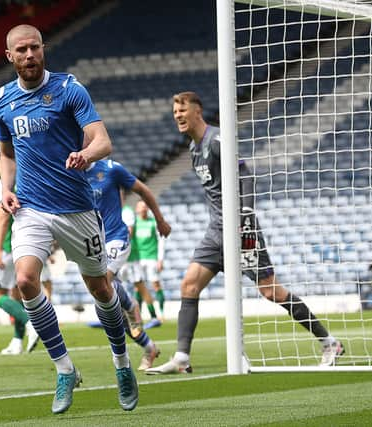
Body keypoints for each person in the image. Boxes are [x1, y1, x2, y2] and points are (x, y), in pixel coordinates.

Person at [0, 24, 138, 414]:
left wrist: (86, 155)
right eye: (20, 50)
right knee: (25, 280)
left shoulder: (70, 89)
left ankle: (122, 364)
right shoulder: (2, 101)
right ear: (9, 57)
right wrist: (8, 187)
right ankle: (64, 368)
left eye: (34, 48)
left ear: (44, 49)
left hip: (77, 209)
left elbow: (103, 140)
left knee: (101, 289)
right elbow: (6, 152)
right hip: (31, 209)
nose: (28, 55)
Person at [146, 91, 344, 374]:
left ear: (197, 111)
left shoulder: (216, 141)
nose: (177, 114)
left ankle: (329, 342)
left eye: (182, 109)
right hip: (217, 231)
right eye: (174, 110)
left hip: (242, 228)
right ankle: (181, 357)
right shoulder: (192, 148)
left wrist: (245, 215)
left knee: (271, 291)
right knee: (189, 285)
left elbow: (246, 174)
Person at [85, 158, 172, 370]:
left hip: (116, 237)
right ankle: (149, 346)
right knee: (106, 300)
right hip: (90, 243)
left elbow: (143, 190)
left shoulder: (110, 169)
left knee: (104, 283)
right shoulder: (69, 172)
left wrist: (159, 220)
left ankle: (131, 306)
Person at [0, 151, 39, 355]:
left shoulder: (1, 187)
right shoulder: (18, 183)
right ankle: (17, 341)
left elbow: (3, 217)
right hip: (21, 244)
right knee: (16, 295)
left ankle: (31, 324)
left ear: (2, 166)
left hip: (7, 245)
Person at [132, 200, 167, 327]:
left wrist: (160, 259)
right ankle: (139, 315)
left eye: (145, 207)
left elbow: (161, 241)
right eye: (141, 207)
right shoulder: (134, 223)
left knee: (156, 285)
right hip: (138, 259)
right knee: (138, 287)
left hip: (151, 258)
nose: (143, 209)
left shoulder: (153, 222)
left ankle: (161, 314)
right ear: (137, 210)